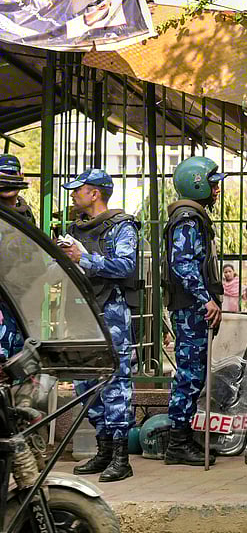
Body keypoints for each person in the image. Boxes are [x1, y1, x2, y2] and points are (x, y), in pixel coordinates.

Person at [62, 169, 139, 482]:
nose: (73, 195)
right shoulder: (75, 229)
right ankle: (104, 448)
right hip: (81, 310)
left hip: (111, 311)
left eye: (78, 190)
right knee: (85, 382)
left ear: (94, 193)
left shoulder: (122, 226)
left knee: (114, 381)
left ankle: (121, 457)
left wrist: (83, 258)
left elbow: (126, 266)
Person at [163, 156, 225, 466]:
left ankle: (183, 436)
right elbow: (183, 265)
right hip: (190, 308)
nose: (217, 190)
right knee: (189, 375)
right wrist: (206, 299)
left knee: (194, 373)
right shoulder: (187, 219)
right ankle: (178, 441)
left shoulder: (194, 217)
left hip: (193, 307)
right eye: (213, 184)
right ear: (197, 185)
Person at [0, 154, 34, 360]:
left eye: (12, 175)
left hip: (21, 307)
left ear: (21, 176)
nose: (8, 181)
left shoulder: (26, 215)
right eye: (3, 175)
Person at [0, 154, 36, 225]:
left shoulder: (27, 212)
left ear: (21, 177)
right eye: (1, 177)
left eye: (12, 173)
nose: (7, 181)